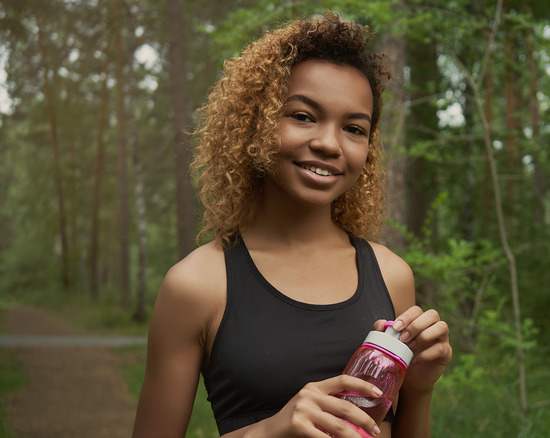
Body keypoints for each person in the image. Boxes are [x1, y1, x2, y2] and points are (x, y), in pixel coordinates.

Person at [132, 12, 452, 438]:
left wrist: (421, 389)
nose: (328, 143)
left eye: (354, 128)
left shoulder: (392, 276)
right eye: (303, 116)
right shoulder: (197, 285)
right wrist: (269, 430)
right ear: (256, 123)